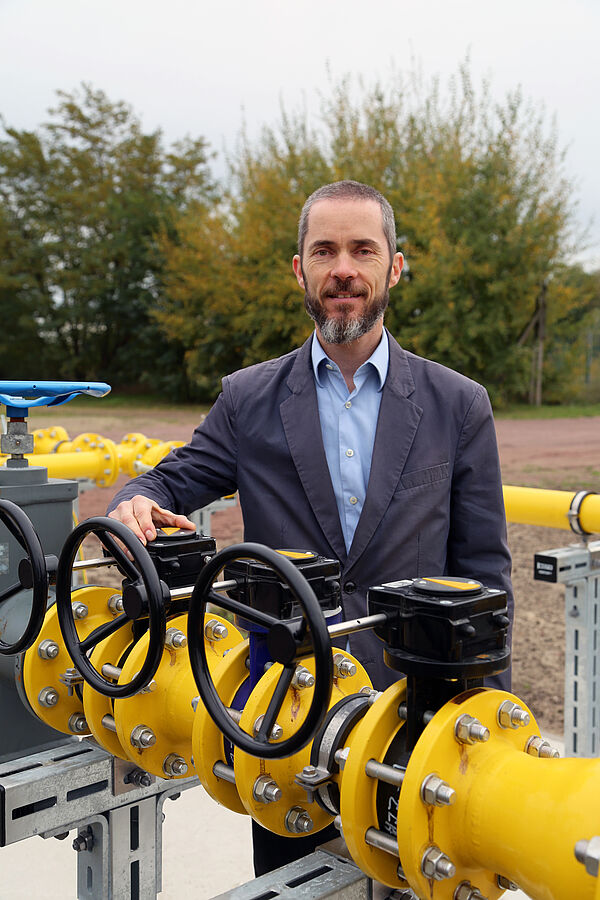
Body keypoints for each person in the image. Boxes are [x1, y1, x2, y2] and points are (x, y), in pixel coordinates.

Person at [107, 180, 512, 874]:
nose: (343, 269)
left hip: (413, 717)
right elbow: (172, 480)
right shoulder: (248, 399)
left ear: (395, 267)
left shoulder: (458, 405)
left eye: (363, 249)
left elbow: (485, 579)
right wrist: (136, 498)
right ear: (300, 269)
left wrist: (487, 729)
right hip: (288, 716)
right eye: (324, 251)